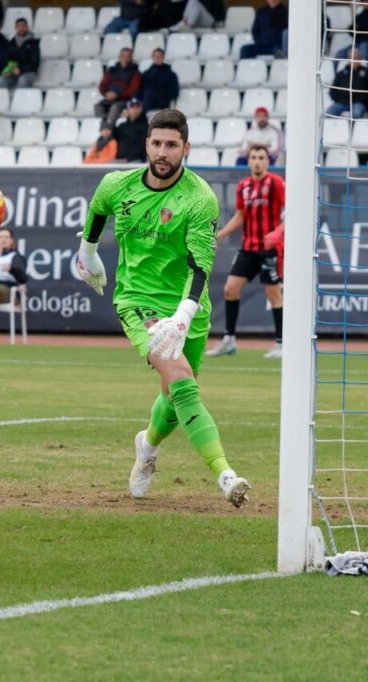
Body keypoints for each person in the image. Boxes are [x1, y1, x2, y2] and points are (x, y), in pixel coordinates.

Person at [75, 108, 251, 508]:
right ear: (147, 144)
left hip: (190, 307)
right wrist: (87, 252)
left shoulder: (199, 199)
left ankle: (147, 447)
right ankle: (225, 474)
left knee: (174, 394)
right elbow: (99, 207)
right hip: (137, 301)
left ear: (185, 147)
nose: (163, 152)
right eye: (157, 143)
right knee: (183, 381)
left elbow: (201, 266)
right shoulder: (117, 184)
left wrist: (185, 315)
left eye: (172, 145)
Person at [206, 144, 285, 360]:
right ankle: (229, 341)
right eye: (254, 157)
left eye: (261, 157)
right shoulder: (243, 186)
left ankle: (281, 343)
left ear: (268, 161)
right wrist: (220, 234)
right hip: (248, 248)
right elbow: (241, 216)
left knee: (274, 295)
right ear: (248, 161)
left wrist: (278, 232)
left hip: (270, 249)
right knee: (230, 289)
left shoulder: (276, 183)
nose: (257, 161)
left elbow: (291, 212)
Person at [326, 48, 368, 119]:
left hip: (359, 103)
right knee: (329, 112)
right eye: (351, 58)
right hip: (342, 102)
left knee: (357, 113)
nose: (353, 60)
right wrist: (339, 99)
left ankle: (355, 130)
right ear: (348, 59)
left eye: (356, 57)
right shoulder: (341, 73)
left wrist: (365, 101)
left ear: (360, 59)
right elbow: (333, 90)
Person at [95, 47, 142, 127]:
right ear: (119, 56)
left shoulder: (135, 72)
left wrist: (117, 95)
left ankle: (110, 128)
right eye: (123, 55)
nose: (125, 58)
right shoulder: (112, 70)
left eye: (127, 56)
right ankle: (104, 126)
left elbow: (133, 90)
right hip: (110, 97)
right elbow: (102, 85)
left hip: (125, 100)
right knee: (98, 106)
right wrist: (106, 94)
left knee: (115, 107)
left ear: (131, 58)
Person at [0, 17, 39, 89]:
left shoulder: (33, 43)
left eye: (23, 26)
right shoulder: (11, 43)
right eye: (19, 26)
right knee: (0, 80)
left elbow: (34, 62)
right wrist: (8, 70)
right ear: (15, 28)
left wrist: (21, 69)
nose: (21, 28)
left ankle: (21, 100)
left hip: (29, 73)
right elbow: (6, 59)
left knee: (22, 80)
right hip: (13, 72)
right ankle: (6, 99)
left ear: (27, 27)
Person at [114, 98, 149, 162]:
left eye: (137, 107)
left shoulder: (146, 127)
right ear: (128, 109)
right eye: (132, 107)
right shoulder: (122, 126)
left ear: (141, 109)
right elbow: (110, 136)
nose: (135, 110)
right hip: (120, 160)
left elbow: (143, 147)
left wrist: (128, 159)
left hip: (136, 161)